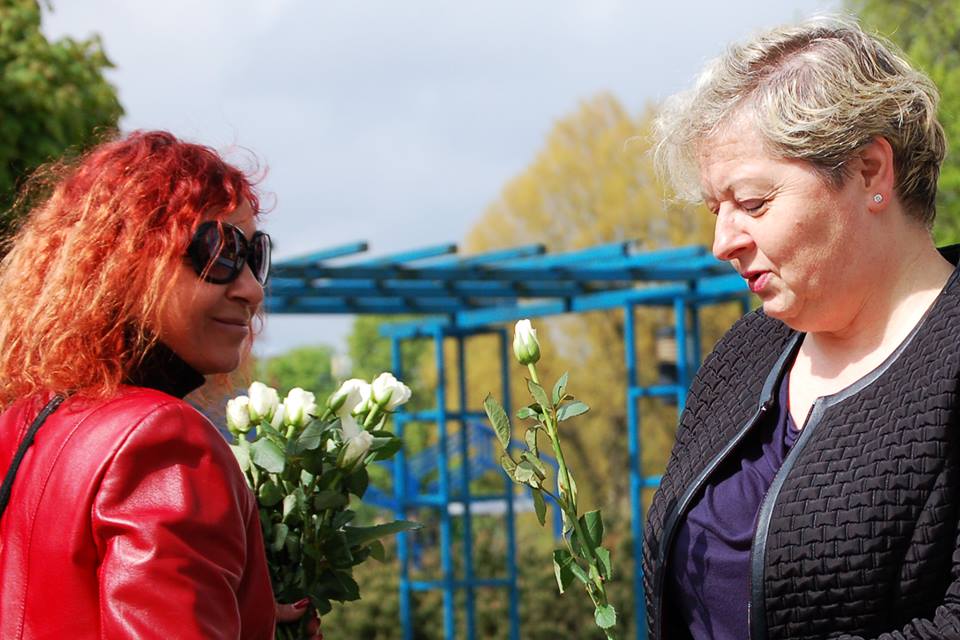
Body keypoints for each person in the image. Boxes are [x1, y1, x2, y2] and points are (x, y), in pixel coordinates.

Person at [643, 16, 960, 640]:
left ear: (870, 171)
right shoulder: (744, 354)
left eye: (753, 203)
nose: (722, 243)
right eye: (716, 210)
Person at [0, 131, 317, 638]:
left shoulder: (22, 423)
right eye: (220, 252)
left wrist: (233, 608)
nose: (252, 290)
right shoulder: (165, 441)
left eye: (255, 256)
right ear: (128, 262)